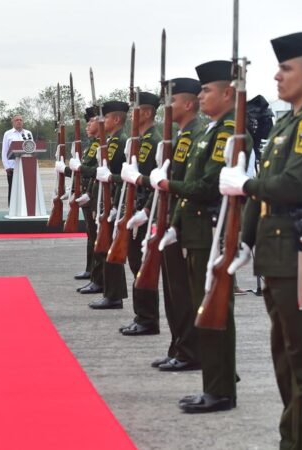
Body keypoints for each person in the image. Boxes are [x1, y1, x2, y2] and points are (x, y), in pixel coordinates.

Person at [220, 32, 302, 446]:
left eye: (286, 68)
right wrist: (246, 239)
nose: (277, 76)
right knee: (286, 361)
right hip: (279, 260)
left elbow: (294, 185)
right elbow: (268, 191)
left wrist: (246, 185)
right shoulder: (290, 122)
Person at [151, 60, 249, 413]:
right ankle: (216, 381)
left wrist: (165, 184)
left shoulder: (228, 133)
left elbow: (206, 185)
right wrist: (175, 223)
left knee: (216, 309)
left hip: (210, 231)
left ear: (227, 93)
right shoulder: (209, 132)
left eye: (207, 90)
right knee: (203, 309)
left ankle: (221, 388)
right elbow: (189, 187)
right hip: (193, 230)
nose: (201, 94)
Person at [129, 78, 202, 370]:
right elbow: (165, 184)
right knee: (174, 294)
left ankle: (187, 351)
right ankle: (179, 347)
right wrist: (148, 210)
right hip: (169, 219)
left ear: (187, 104)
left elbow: (186, 184)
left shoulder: (195, 135)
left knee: (183, 294)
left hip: (185, 224)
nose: (167, 108)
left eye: (172, 101)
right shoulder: (180, 136)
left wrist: (147, 183)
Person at [72, 100, 129, 309]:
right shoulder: (110, 140)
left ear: (115, 119)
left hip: (112, 200)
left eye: (104, 118)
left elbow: (111, 172)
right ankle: (108, 290)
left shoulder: (119, 141)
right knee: (103, 245)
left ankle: (113, 294)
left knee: (109, 247)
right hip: (102, 198)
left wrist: (114, 203)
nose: (100, 121)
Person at [114, 91, 161, 335]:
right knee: (135, 264)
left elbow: (158, 179)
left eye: (135, 109)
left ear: (146, 113)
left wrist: (145, 209)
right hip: (136, 208)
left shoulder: (155, 139)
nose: (131, 114)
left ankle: (148, 318)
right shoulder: (140, 140)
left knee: (143, 266)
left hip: (147, 211)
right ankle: (141, 315)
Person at [55, 107, 101, 292]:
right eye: (88, 122)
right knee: (91, 235)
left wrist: (66, 170)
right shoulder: (92, 145)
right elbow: (82, 170)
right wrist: (72, 187)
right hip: (87, 193)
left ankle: (96, 275)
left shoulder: (99, 145)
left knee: (96, 237)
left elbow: (87, 170)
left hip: (93, 195)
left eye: (92, 121)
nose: (88, 125)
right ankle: (91, 270)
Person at [1, 115, 34, 205]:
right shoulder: (8, 134)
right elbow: (4, 152)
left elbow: (33, 149)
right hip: (13, 167)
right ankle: (12, 209)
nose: (19, 121)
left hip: (26, 166)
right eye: (16, 120)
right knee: (13, 189)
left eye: (20, 120)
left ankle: (26, 208)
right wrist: (6, 167)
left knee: (26, 189)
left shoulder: (28, 133)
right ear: (13, 122)